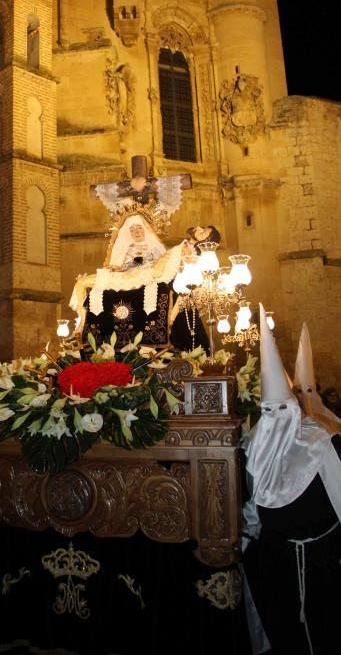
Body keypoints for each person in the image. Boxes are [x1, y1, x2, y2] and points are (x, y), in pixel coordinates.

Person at [242, 305, 341, 655]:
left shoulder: (322, 440)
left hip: (324, 561)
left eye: (280, 409)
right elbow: (253, 508)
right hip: (279, 563)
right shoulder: (256, 446)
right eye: (268, 412)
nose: (274, 418)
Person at [70, 213, 209, 351]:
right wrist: (121, 268)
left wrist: (188, 244)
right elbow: (115, 267)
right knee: (82, 283)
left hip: (145, 276)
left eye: (139, 228)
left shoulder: (156, 249)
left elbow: (163, 265)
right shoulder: (123, 249)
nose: (136, 232)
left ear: (146, 230)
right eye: (132, 229)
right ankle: (81, 324)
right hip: (122, 278)